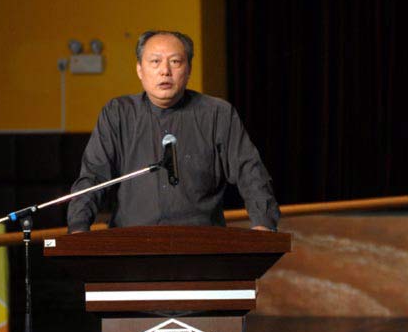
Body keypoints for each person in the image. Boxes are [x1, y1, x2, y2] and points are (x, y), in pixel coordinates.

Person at [66, 30, 280, 233]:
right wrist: (78, 226)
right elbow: (93, 176)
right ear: (139, 69)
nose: (165, 71)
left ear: (188, 70)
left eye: (175, 62)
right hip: (132, 243)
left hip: (202, 243)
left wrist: (264, 223)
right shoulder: (118, 114)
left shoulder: (217, 114)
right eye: (155, 62)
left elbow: (250, 171)